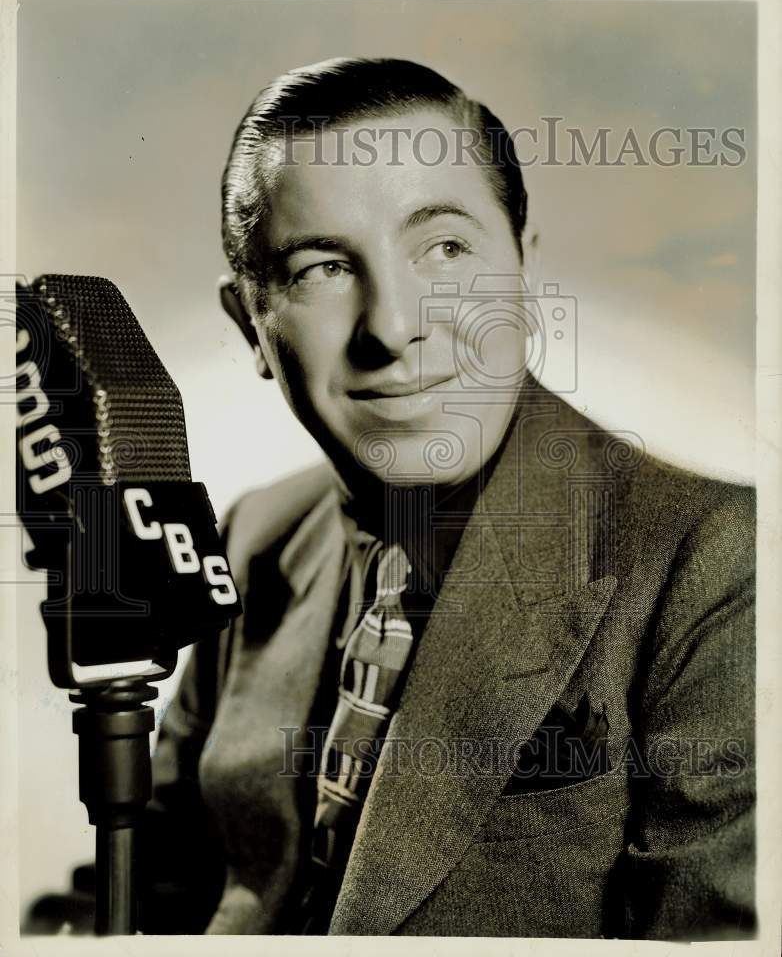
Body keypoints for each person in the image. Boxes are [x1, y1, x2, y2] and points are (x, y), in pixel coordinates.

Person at [146, 57, 755, 938]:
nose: (393, 327)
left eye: (446, 248)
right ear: (251, 323)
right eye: (322, 267)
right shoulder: (252, 536)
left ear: (524, 274)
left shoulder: (719, 563)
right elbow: (148, 889)